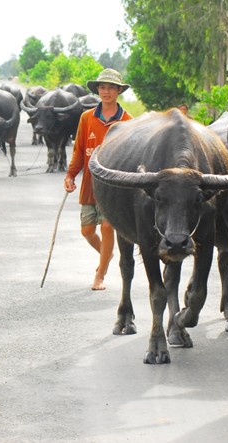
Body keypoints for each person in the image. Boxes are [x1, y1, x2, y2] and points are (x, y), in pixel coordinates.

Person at [63, 68, 133, 291]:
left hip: (113, 187)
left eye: (111, 87)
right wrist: (70, 175)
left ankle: (99, 275)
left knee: (107, 225)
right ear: (98, 90)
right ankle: (107, 253)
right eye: (103, 87)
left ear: (119, 90)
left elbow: (132, 156)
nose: (106, 91)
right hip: (89, 184)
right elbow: (78, 150)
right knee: (86, 231)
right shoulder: (86, 118)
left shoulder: (128, 121)